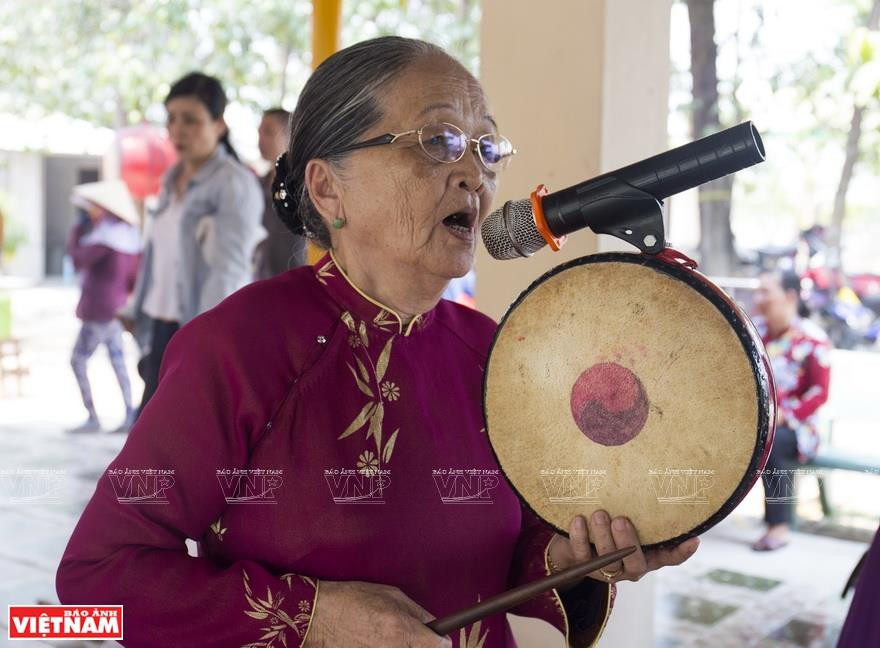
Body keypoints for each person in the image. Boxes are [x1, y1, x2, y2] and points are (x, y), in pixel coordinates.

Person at [57, 37, 698, 647]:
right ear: (327, 187)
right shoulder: (237, 347)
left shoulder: (498, 354)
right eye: (439, 141)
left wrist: (577, 556)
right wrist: (310, 619)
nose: (474, 175)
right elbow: (92, 582)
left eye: (486, 147)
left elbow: (519, 551)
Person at [126, 72, 264, 415]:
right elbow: (158, 254)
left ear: (219, 124)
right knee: (154, 434)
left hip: (197, 330)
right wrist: (136, 307)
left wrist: (203, 342)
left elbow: (227, 272)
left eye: (191, 120)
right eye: (171, 119)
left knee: (169, 435)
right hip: (160, 326)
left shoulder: (233, 184)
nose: (178, 129)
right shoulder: (171, 179)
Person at [752, 269, 831, 551]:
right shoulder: (755, 333)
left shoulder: (813, 339)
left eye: (765, 292)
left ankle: (779, 526)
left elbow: (819, 392)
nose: (758, 298)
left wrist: (784, 416)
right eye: (758, 291)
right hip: (756, 423)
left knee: (771, 442)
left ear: (790, 296)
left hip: (799, 428)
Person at [66, 180, 141, 433]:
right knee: (118, 362)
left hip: (98, 310)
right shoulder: (129, 238)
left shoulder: (103, 239)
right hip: (117, 310)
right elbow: (132, 279)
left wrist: (76, 232)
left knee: (78, 360)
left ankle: (93, 417)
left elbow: (76, 259)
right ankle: (129, 414)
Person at [254, 107, 307, 278]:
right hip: (260, 278)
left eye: (268, 132)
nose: (260, 140)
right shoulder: (257, 186)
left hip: (294, 279)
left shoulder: (302, 188)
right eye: (259, 132)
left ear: (289, 136)